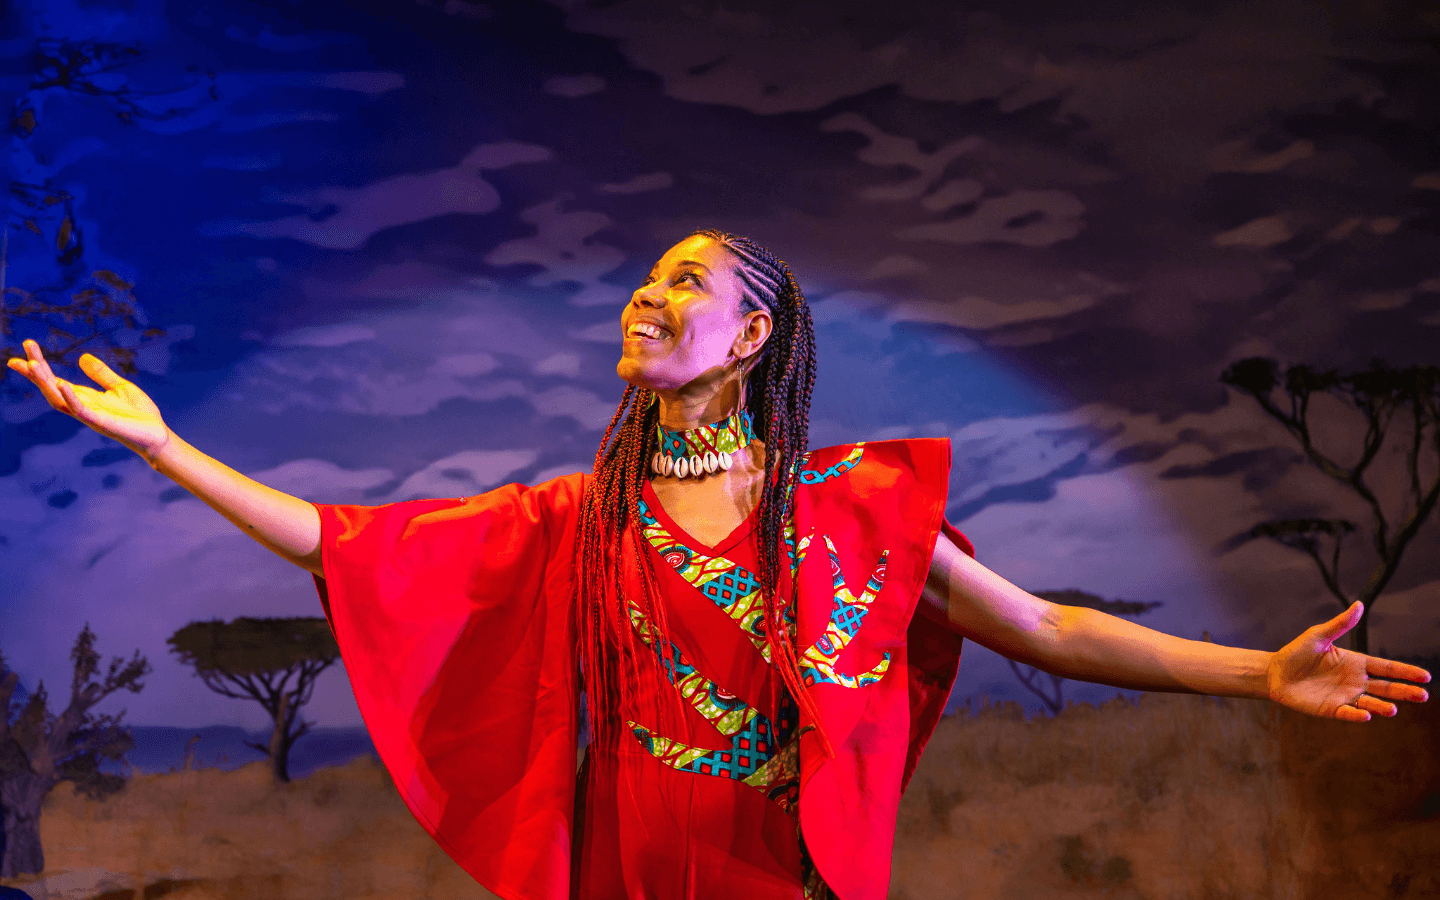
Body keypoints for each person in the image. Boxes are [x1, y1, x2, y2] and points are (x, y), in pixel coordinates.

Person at [7, 229, 1431, 900]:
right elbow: (347, 545)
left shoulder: (852, 505)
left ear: (752, 338)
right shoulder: (579, 517)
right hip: (631, 875)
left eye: (689, 280)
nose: (651, 290)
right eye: (647, 275)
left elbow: (1047, 628)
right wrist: (165, 446)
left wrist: (1259, 673)